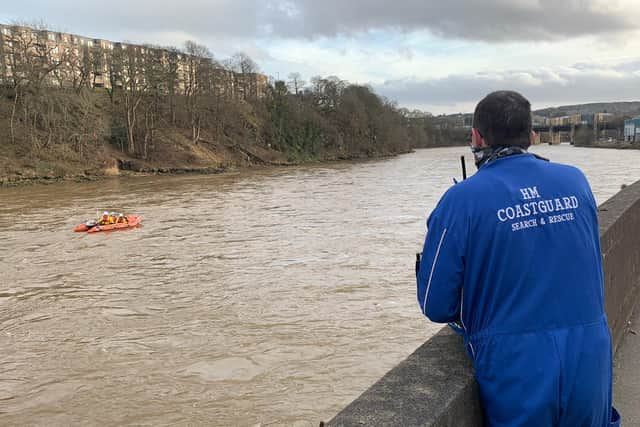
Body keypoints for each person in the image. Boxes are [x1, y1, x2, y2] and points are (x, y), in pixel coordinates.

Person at [417, 91, 620, 427]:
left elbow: (435, 304)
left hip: (516, 365)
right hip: (590, 353)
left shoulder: (461, 200)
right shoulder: (576, 181)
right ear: (532, 136)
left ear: (477, 137)